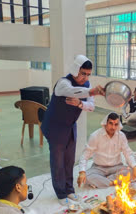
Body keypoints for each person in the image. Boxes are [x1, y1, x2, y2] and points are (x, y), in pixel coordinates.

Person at [41, 55, 105, 205]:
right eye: (83, 73)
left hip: (70, 126)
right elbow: (72, 91)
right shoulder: (63, 83)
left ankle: (69, 189)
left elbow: (91, 106)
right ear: (76, 70)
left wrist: (79, 104)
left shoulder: (87, 85)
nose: (85, 78)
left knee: (70, 160)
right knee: (58, 161)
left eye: (88, 74)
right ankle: (60, 192)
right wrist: (91, 92)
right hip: (55, 126)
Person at [77, 112, 136, 188]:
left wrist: (135, 167)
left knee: (132, 171)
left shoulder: (121, 136)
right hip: (99, 167)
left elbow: (127, 153)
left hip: (116, 167)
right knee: (87, 177)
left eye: (116, 124)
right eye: (111, 123)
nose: (113, 127)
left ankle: (104, 182)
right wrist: (82, 172)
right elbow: (85, 155)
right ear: (105, 123)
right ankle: (113, 182)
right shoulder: (95, 136)